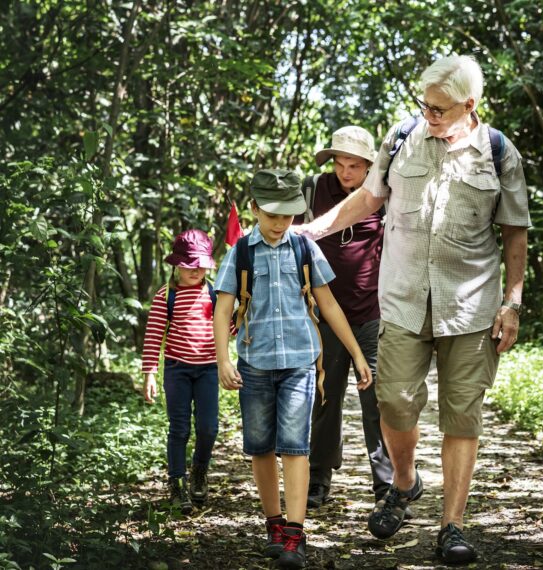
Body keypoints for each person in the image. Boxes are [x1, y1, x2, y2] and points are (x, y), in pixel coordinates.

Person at [296, 55, 530, 564]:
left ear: (471, 106)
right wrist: (309, 230)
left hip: (470, 307)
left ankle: (453, 525)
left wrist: (512, 302)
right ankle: (404, 482)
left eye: (441, 109)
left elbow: (515, 230)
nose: (430, 115)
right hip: (401, 299)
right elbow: (367, 200)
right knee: (395, 402)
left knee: (461, 416)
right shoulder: (402, 137)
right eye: (424, 105)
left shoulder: (498, 152)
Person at [212, 169, 373, 570]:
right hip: (255, 365)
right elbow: (223, 309)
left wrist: (355, 352)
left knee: (295, 447)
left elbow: (329, 303)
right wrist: (222, 359)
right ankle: (274, 525)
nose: (280, 223)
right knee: (261, 447)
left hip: (300, 363)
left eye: (288, 216)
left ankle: (295, 535)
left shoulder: (304, 249)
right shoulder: (241, 252)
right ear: (255, 209)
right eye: (272, 215)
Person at [303, 126, 394, 508]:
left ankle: (386, 485)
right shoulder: (313, 190)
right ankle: (319, 477)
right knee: (325, 398)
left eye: (354, 165)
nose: (345, 172)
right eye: (339, 164)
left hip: (372, 311)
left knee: (377, 401)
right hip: (325, 313)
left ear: (370, 166)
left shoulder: (383, 195)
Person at [141, 229, 220, 515]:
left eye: (201, 265)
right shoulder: (166, 295)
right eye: (190, 265)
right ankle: (177, 483)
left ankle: (199, 471)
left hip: (209, 370)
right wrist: (149, 372)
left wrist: (241, 314)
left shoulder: (213, 293)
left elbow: (228, 329)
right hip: (177, 370)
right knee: (179, 428)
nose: (196, 271)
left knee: (209, 427)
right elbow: (153, 335)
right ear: (177, 264)